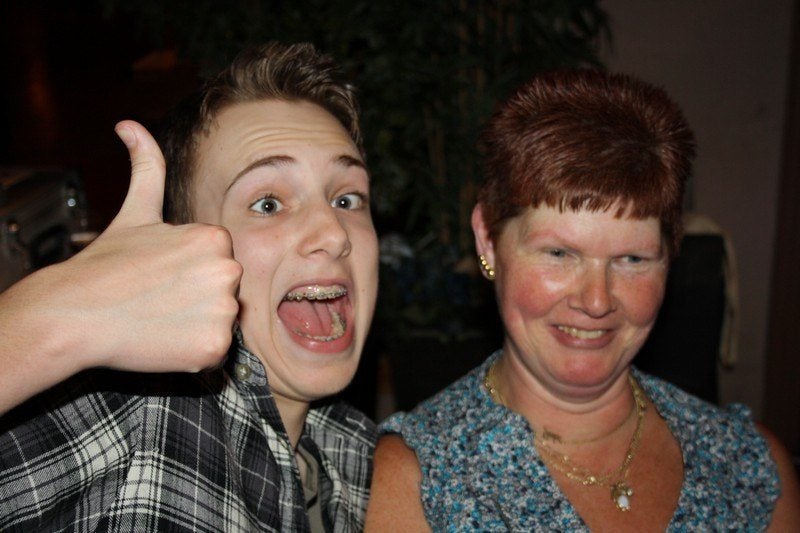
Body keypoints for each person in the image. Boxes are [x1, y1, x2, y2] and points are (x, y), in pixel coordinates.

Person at [365, 69, 800, 531]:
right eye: (559, 254)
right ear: (488, 240)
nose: (596, 301)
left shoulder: (751, 471)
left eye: (632, 259)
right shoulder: (416, 480)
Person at [0, 42, 378, 532]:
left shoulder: (364, 456)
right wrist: (59, 317)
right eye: (268, 204)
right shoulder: (137, 413)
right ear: (180, 251)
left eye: (347, 199)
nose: (334, 233)